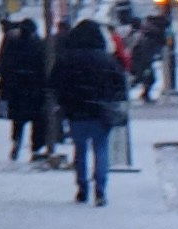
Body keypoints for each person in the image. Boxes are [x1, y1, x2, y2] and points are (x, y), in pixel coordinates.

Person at [50, 16, 129, 204]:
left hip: (76, 111)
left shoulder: (66, 58)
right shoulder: (106, 59)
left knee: (80, 150)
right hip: (101, 111)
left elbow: (54, 83)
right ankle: (100, 190)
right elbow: (120, 83)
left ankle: (82, 187)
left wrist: (65, 101)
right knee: (101, 149)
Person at [0, 17, 52, 162]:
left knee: (18, 120)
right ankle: (36, 148)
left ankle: (16, 142)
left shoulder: (12, 44)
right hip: (36, 90)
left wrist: (4, 90)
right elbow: (45, 68)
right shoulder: (40, 45)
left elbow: (4, 67)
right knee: (37, 121)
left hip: (17, 90)